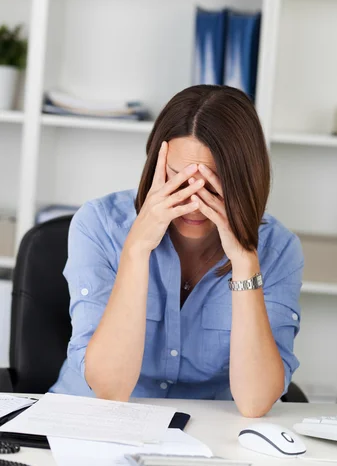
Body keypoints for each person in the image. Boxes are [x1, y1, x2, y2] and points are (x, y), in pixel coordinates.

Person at [50, 85, 304, 418]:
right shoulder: (98, 224)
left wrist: (244, 265)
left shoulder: (278, 249)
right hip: (91, 420)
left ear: (244, 180)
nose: (194, 204)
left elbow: (256, 402)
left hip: (211, 436)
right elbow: (109, 388)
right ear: (156, 166)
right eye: (179, 180)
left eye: (213, 185)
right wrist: (137, 250)